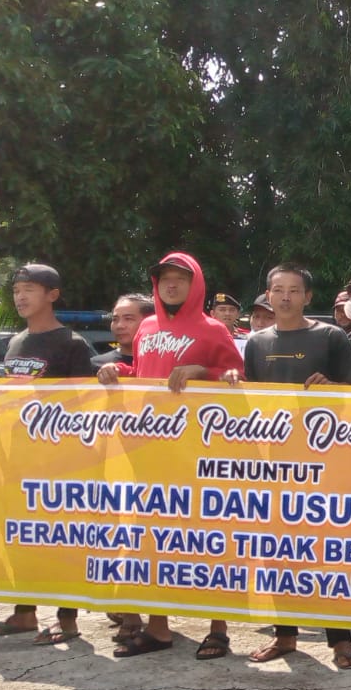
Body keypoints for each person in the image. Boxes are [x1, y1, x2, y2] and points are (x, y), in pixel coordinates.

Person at [97, 251, 242, 655]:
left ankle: (218, 628)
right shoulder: (146, 327)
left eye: (181, 278)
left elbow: (236, 378)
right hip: (149, 450)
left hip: (197, 453)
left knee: (208, 539)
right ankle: (158, 628)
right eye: (164, 279)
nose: (172, 285)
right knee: (153, 541)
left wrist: (202, 372)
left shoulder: (213, 329)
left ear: (196, 284)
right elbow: (143, 374)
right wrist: (118, 371)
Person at [237, 263, 351, 669]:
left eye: (294, 290)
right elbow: (250, 401)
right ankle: (285, 635)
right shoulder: (256, 342)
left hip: (323, 463)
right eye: (278, 290)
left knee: (327, 553)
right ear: (268, 295)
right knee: (279, 554)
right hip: (274, 465)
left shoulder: (331, 336)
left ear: (308, 297)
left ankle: (340, 640)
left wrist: (332, 389)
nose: (286, 297)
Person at [0, 265, 98, 644]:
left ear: (52, 294)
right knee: (23, 535)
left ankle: (67, 619)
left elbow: (85, 406)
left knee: (63, 539)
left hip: (60, 461)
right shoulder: (15, 343)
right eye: (17, 290)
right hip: (19, 458)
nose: (20, 297)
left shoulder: (72, 343)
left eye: (29, 289)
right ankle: (24, 613)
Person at [94, 292, 153, 367]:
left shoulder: (161, 363)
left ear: (149, 321)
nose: (119, 326)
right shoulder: (97, 365)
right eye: (115, 319)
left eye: (128, 319)